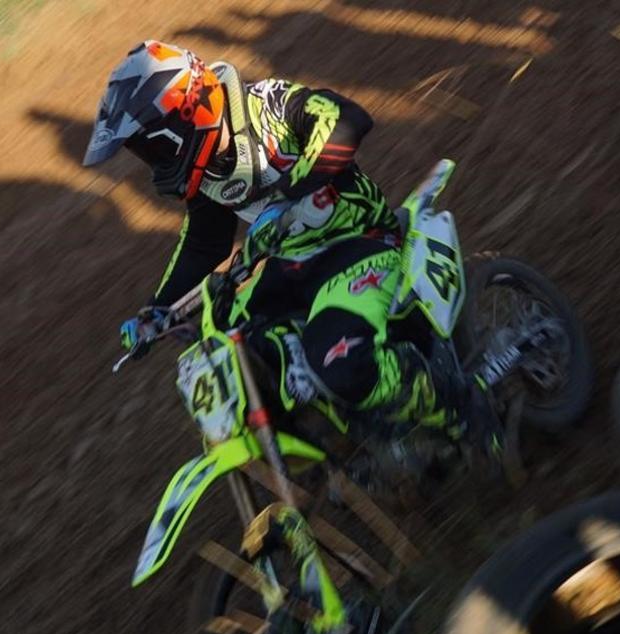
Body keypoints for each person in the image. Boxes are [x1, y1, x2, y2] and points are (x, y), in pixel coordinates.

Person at [83, 40, 499, 450]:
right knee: (238, 343)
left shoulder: (269, 107)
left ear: (190, 112)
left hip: (358, 242)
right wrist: (157, 310)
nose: (154, 161)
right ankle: (339, 447)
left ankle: (459, 404)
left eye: (154, 146)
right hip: (294, 264)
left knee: (340, 365)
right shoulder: (207, 173)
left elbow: (347, 119)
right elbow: (203, 243)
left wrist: (291, 194)